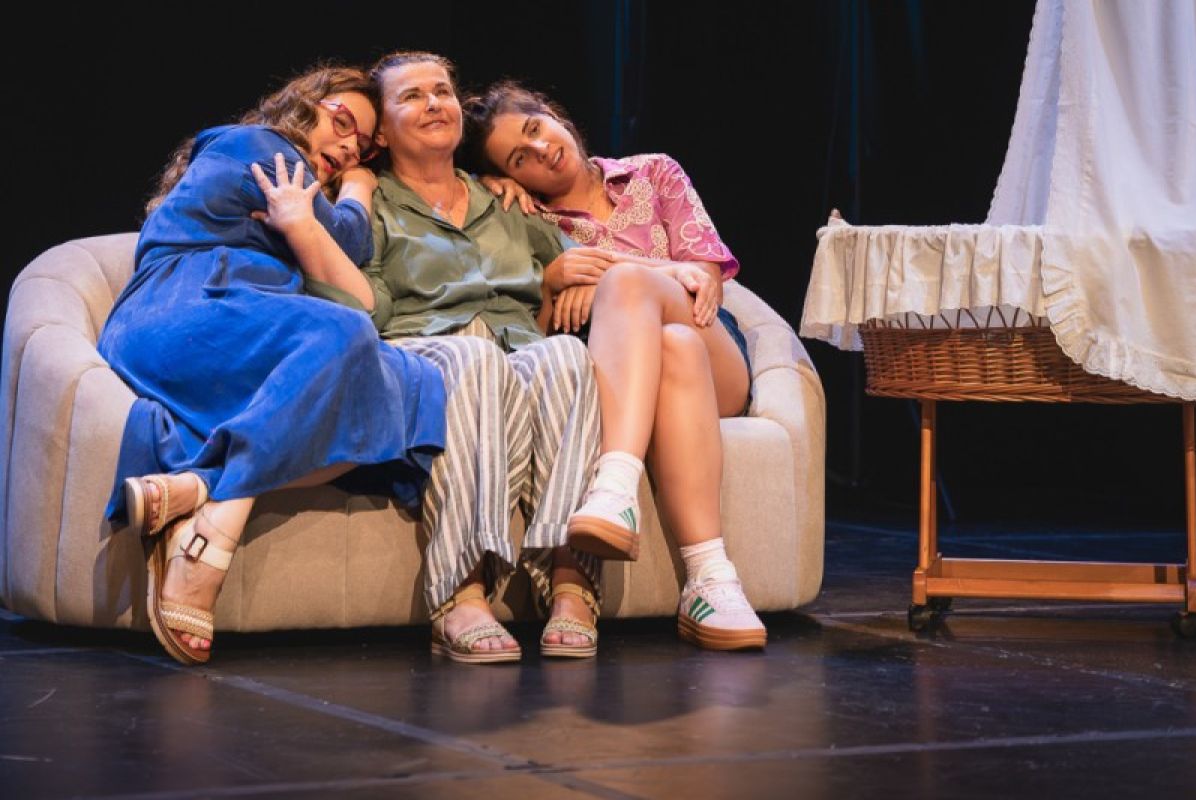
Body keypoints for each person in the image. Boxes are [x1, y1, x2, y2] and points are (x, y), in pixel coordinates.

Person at [98, 66, 447, 666]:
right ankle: (210, 540)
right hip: (183, 310)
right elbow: (350, 244)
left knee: (417, 385)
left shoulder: (299, 189)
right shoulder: (257, 146)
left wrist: (310, 222)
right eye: (343, 123)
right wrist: (360, 186)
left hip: (253, 329)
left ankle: (193, 490)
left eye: (363, 147)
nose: (349, 147)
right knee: (343, 331)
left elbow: (359, 288)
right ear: (304, 104)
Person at [462, 81, 766, 650]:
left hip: (718, 360)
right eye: (519, 159)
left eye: (535, 130)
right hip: (647, 374)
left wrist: (619, 274)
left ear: (552, 114)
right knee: (673, 345)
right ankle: (710, 580)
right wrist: (552, 281)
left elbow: (703, 280)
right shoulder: (533, 223)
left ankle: (615, 486)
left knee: (636, 291)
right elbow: (536, 337)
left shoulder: (654, 172)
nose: (542, 151)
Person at [354, 52, 602, 663]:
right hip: (421, 355)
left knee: (566, 356)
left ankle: (570, 581)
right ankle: (461, 590)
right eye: (412, 96)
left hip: (514, 354)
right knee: (474, 358)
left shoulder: (505, 202)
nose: (434, 103)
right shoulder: (375, 205)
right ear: (381, 132)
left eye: (441, 91)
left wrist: (584, 279)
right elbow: (367, 308)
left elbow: (583, 260)